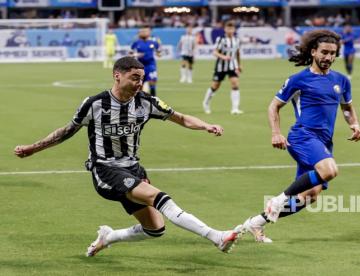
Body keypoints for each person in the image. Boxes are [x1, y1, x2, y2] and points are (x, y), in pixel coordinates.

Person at [14, 56, 243, 256]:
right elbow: (66, 132)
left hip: (134, 169)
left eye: (141, 78)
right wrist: (34, 148)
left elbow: (180, 118)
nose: (139, 83)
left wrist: (206, 126)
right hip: (106, 170)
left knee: (155, 229)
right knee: (160, 197)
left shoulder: (146, 102)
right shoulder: (94, 104)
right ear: (117, 76)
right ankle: (217, 236)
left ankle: (108, 237)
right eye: (134, 77)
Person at [240, 30, 360, 243]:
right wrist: (276, 133)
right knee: (330, 170)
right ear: (313, 51)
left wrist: (354, 123)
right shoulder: (299, 79)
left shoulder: (341, 81)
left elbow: (347, 106)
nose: (328, 57)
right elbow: (273, 106)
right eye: (324, 52)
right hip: (302, 136)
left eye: (333, 53)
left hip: (323, 142)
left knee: (310, 195)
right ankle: (278, 200)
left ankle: (256, 223)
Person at [202, 21, 243, 115]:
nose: (230, 30)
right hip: (220, 66)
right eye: (228, 28)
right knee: (215, 86)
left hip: (233, 65)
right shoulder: (221, 39)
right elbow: (215, 52)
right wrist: (223, 57)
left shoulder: (236, 40)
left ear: (234, 29)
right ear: (225, 29)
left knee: (235, 83)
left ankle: (235, 108)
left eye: (232, 28)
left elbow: (237, 53)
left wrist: (240, 65)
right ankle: (206, 103)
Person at [130, 26, 162, 96]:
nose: (144, 33)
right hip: (140, 66)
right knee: (140, 85)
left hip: (151, 65)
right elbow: (130, 54)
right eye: (143, 31)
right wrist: (136, 54)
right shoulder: (136, 43)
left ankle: (154, 100)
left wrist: (159, 53)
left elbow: (159, 53)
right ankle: (139, 102)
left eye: (146, 31)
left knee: (152, 83)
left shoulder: (153, 43)